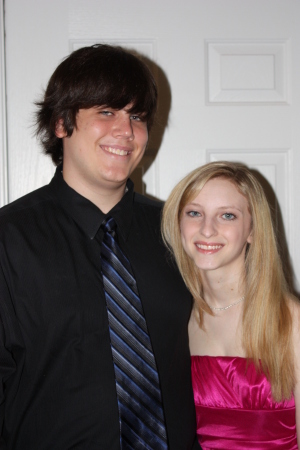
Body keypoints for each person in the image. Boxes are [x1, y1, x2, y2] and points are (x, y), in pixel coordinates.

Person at [0, 45, 200, 449]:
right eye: (106, 112)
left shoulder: (180, 233)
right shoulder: (7, 240)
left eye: (137, 116)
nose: (126, 132)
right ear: (60, 123)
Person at [162, 160, 300, 449]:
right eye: (194, 213)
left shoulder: (292, 320)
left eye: (227, 215)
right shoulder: (173, 318)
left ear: (252, 230)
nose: (207, 229)